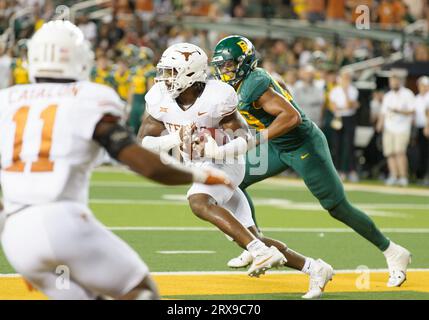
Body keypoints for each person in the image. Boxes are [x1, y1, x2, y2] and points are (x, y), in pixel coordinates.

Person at [0, 20, 230, 300]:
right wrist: (201, 176)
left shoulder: (6, 100)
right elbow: (145, 164)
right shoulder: (89, 97)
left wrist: (23, 243)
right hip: (63, 222)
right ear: (80, 57)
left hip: (15, 234)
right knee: (140, 290)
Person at [211, 35, 411, 288]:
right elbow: (280, 88)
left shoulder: (254, 83)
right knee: (233, 183)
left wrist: (253, 140)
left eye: (229, 65)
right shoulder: (250, 81)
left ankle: (393, 251)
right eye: (222, 65)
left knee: (337, 207)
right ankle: (256, 244)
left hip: (303, 145)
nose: (224, 71)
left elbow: (292, 116)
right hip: (278, 146)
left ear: (244, 62)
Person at [137, 43, 334, 298]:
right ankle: (314, 268)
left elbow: (242, 135)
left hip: (225, 163)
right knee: (249, 236)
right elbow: (144, 141)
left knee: (198, 201)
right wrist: (176, 140)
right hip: (197, 165)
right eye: (165, 71)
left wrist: (218, 150)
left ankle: (260, 252)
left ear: (191, 73)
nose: (166, 78)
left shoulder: (218, 96)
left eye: (173, 72)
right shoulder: (159, 97)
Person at [376, 73, 415, 187]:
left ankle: (403, 177)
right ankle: (394, 175)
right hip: (389, 127)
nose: (393, 83)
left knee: (400, 152)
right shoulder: (388, 95)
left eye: (395, 81)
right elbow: (383, 112)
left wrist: (398, 111)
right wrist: (380, 124)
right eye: (392, 81)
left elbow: (412, 111)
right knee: (390, 153)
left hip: (402, 127)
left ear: (400, 81)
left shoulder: (408, 94)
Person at [329, 69, 360, 182]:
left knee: (349, 145)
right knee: (337, 145)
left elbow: (349, 105)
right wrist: (344, 107)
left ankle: (350, 171)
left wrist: (345, 91)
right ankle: (338, 170)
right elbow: (333, 107)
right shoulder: (335, 90)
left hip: (349, 119)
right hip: (338, 118)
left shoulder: (353, 90)